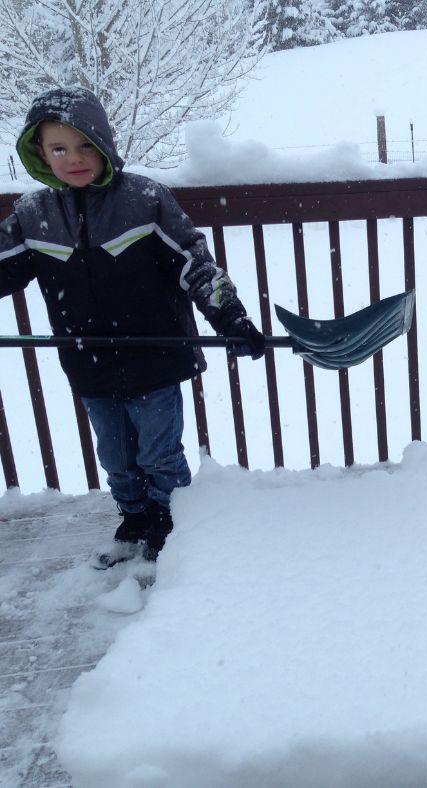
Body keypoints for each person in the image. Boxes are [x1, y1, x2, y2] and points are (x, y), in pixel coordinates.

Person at [0, 87, 266, 565]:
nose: (74, 159)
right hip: (87, 360)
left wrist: (231, 316)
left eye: (85, 146)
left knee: (161, 453)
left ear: (104, 144)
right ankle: (135, 516)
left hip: (155, 358)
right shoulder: (33, 215)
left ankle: (172, 523)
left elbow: (195, 265)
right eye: (59, 148)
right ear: (40, 153)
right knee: (116, 455)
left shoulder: (144, 200)